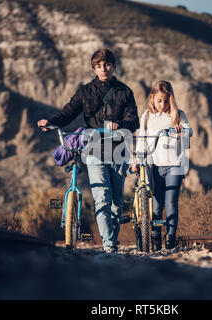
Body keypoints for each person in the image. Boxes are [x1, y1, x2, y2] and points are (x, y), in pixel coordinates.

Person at [38, 49, 139, 253]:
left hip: (119, 149)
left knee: (116, 203)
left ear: (114, 66)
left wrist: (120, 125)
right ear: (94, 68)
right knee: (102, 196)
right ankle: (109, 245)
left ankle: (112, 238)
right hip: (94, 148)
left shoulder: (125, 92)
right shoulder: (85, 91)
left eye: (107, 64)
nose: (104, 69)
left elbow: (134, 120)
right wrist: (51, 122)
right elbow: (68, 112)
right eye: (99, 65)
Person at [130, 80, 192, 251]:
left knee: (171, 202)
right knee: (157, 205)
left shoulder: (178, 114)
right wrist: (138, 160)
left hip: (175, 165)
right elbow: (142, 141)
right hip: (154, 166)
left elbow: (189, 132)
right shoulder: (147, 117)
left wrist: (181, 131)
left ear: (170, 99)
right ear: (152, 98)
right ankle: (155, 236)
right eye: (159, 101)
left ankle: (170, 238)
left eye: (166, 101)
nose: (163, 105)